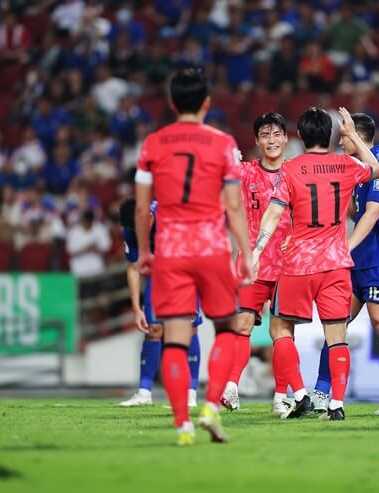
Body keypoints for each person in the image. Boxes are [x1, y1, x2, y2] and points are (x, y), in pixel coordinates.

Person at [134, 69, 253, 446]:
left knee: (174, 340)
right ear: (206, 103)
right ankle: (211, 409)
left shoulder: (152, 144)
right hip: (212, 249)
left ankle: (183, 425)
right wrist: (246, 252)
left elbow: (141, 209)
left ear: (171, 103)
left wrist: (144, 251)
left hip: (170, 251)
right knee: (227, 330)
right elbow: (234, 205)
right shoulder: (222, 143)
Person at [252, 107, 379, 421]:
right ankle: (336, 404)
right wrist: (352, 135)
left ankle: (299, 394)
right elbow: (376, 168)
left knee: (280, 328)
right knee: (337, 336)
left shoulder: (292, 169)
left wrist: (256, 250)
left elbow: (273, 212)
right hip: (336, 264)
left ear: (299, 136)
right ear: (332, 135)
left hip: (298, 263)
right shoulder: (346, 164)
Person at [311, 113, 379, 415]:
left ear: (358, 136)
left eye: (344, 136)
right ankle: (320, 393)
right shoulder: (358, 170)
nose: (339, 141)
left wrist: (345, 246)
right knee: (336, 323)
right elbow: (357, 212)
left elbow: (372, 214)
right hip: (357, 261)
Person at [220, 112, 294, 415]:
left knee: (283, 332)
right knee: (242, 324)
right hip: (252, 263)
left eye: (277, 134)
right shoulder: (246, 172)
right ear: (256, 141)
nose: (272, 140)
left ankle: (279, 397)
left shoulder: (297, 173)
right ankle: (232, 387)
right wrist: (227, 160)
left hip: (289, 264)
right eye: (265, 135)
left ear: (286, 138)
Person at [117, 198, 202, 408]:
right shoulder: (130, 228)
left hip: (186, 274)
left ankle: (190, 393)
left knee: (189, 329)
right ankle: (144, 392)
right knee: (153, 329)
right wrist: (136, 309)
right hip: (158, 277)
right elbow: (133, 268)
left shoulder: (172, 216)